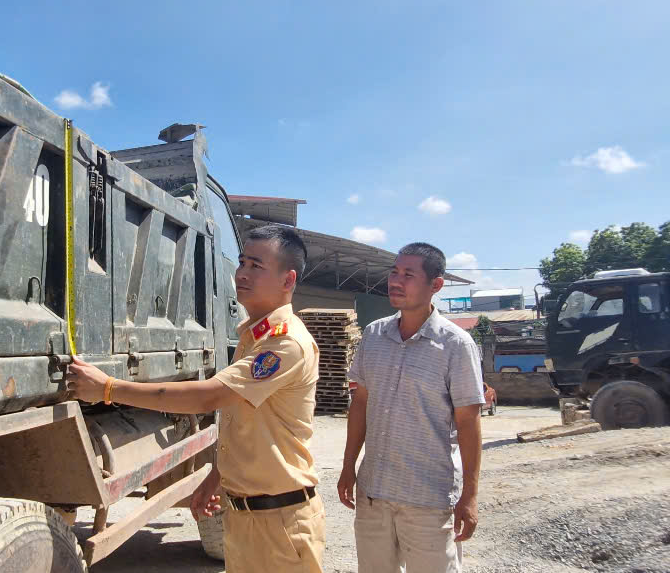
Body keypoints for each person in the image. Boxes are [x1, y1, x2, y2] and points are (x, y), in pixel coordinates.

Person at [64, 225, 324, 573]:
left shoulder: (285, 343)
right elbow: (246, 425)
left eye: (256, 266)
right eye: (242, 262)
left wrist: (108, 388)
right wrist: (215, 477)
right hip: (248, 517)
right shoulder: (256, 336)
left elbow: (209, 397)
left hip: (279, 522)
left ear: (287, 280)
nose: (242, 273)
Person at [337, 242, 484, 573]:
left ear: (436, 285)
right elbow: (360, 404)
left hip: (428, 499)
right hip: (374, 493)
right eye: (394, 272)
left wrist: (470, 496)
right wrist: (348, 466)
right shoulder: (374, 335)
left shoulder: (456, 346)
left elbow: (469, 422)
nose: (396, 281)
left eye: (408, 274)